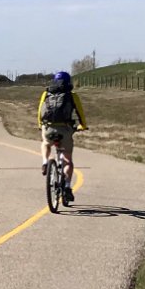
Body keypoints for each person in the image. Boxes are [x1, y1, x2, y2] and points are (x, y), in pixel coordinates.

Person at [36, 70, 89, 203]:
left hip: (48, 127)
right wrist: (83, 125)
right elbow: (80, 112)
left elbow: (39, 112)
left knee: (45, 143)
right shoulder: (71, 95)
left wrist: (40, 125)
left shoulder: (46, 93)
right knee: (67, 160)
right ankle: (66, 186)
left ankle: (44, 162)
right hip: (65, 129)